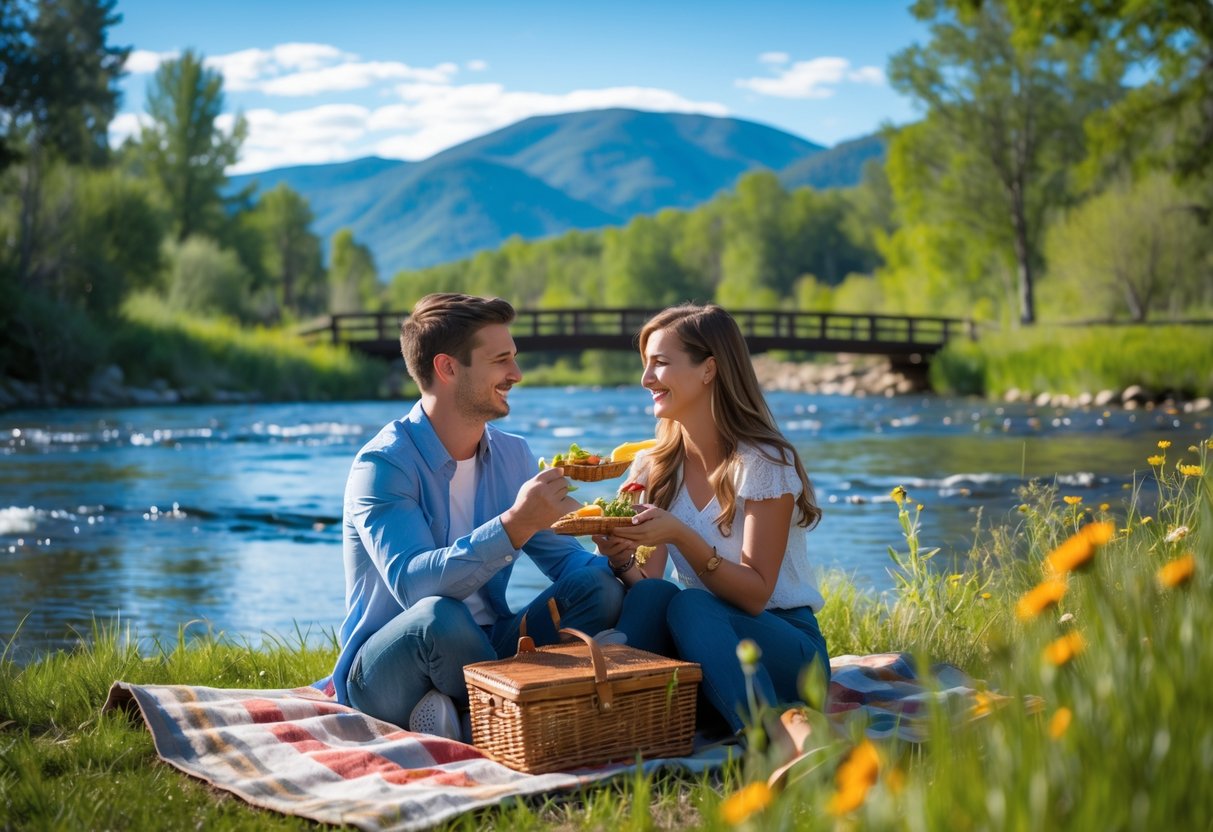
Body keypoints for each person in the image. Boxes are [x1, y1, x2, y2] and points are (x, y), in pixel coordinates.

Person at [333, 293, 625, 738]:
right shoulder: (383, 465)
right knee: (440, 617)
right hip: (388, 667)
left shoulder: (513, 454)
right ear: (448, 368)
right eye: (501, 360)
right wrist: (514, 525)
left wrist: (618, 552)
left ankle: (464, 711)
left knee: (597, 587)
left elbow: (567, 561)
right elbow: (414, 586)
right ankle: (517, 706)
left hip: (490, 644)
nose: (516, 374)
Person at [596, 302, 829, 735]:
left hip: (786, 644)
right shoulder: (653, 466)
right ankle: (613, 716)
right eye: (645, 365)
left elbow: (756, 595)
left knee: (688, 602)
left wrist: (683, 535)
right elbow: (648, 580)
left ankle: (771, 737)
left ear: (709, 370)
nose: (646, 379)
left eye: (660, 364)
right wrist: (620, 557)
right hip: (707, 638)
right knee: (652, 598)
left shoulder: (763, 462)